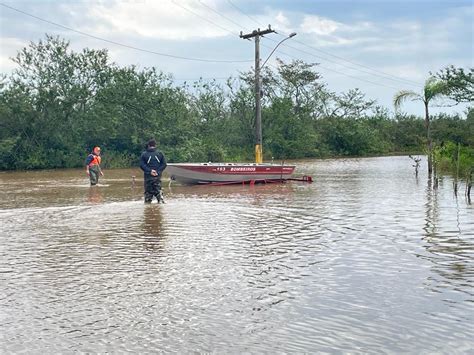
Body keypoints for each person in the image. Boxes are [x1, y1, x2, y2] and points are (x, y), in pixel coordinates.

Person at [140, 139, 167, 203]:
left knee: (147, 200)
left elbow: (142, 165)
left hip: (148, 178)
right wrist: (158, 171)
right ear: (155, 145)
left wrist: (150, 171)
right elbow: (164, 164)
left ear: (148, 145)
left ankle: (148, 211)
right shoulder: (160, 153)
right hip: (157, 177)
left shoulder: (144, 154)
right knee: (160, 197)